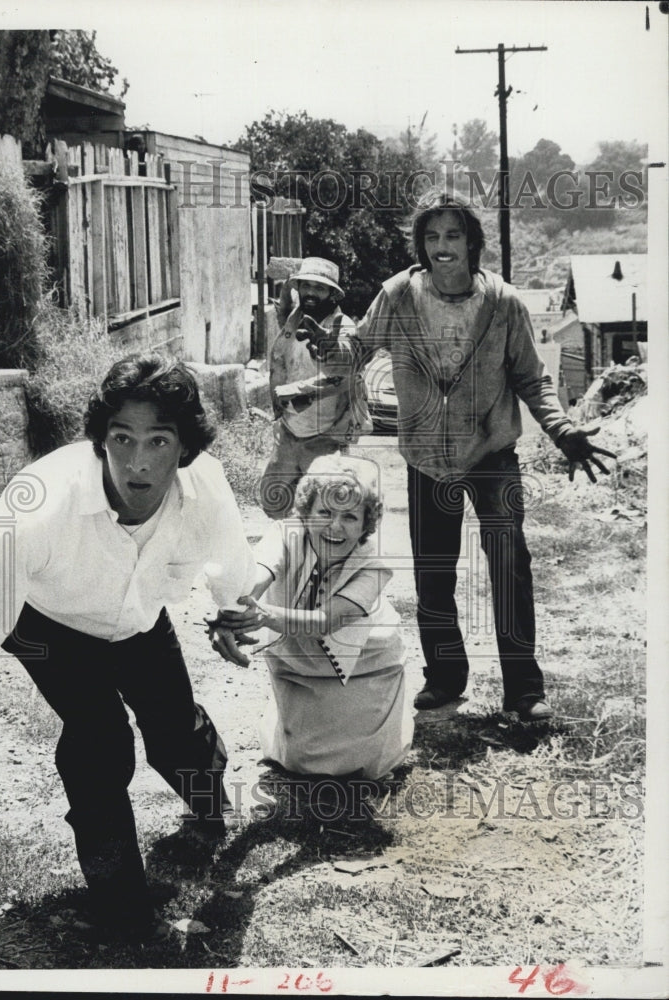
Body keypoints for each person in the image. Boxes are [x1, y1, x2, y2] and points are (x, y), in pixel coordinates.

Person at [0, 354, 257, 938]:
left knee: (175, 731)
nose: (137, 462)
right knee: (99, 741)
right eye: (122, 438)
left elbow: (232, 561)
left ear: (185, 447)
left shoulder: (207, 486)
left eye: (158, 441)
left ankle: (209, 805)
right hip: (47, 623)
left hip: (139, 618)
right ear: (100, 439)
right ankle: (121, 905)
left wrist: (232, 612)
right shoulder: (35, 511)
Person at [295, 189, 616, 723]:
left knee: (510, 567)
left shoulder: (503, 302)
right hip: (427, 456)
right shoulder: (398, 294)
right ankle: (445, 678)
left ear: (471, 242)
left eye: (453, 235)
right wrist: (329, 347)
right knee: (434, 574)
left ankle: (524, 689)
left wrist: (561, 429)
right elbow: (358, 350)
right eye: (431, 236)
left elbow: (532, 377)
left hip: (492, 454)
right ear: (421, 244)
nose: (442, 246)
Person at [214, 454, 412, 783]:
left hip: (367, 663)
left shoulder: (376, 563)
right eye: (325, 512)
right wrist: (235, 609)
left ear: (366, 524)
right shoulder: (285, 533)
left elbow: (325, 621)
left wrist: (262, 615)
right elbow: (259, 574)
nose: (335, 526)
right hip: (296, 662)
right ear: (306, 512)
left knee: (368, 766)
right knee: (298, 760)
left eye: (350, 516)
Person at [260, 257, 373, 519]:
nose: (311, 292)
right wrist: (288, 283)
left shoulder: (343, 329)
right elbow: (285, 306)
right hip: (289, 432)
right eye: (306, 286)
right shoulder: (293, 319)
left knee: (323, 511)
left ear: (333, 294)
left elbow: (343, 375)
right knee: (273, 503)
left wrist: (298, 390)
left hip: (325, 437)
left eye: (319, 288)